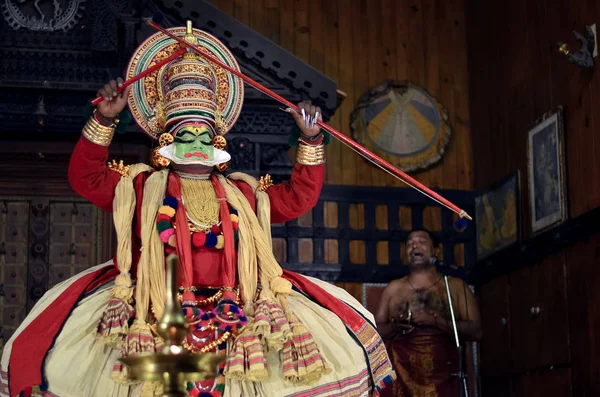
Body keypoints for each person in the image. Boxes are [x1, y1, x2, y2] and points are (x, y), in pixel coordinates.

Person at [0, 23, 394, 397]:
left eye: (204, 135)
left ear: (218, 140)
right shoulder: (140, 187)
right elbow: (84, 178)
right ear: (167, 140)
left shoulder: (241, 190)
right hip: (154, 315)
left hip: (237, 319)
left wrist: (310, 141)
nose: (196, 143)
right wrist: (104, 117)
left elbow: (298, 199)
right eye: (186, 134)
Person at [376, 228, 481, 397]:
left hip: (444, 374)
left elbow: (476, 331)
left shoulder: (454, 286)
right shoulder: (393, 288)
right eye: (409, 243)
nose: (414, 246)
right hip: (402, 374)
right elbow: (374, 334)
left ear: (436, 251)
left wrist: (435, 321)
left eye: (421, 242)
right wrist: (395, 327)